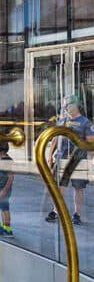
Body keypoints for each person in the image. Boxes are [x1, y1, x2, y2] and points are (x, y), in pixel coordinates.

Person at [46, 94, 94, 226]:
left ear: (75, 105)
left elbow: (91, 144)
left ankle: (77, 213)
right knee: (58, 186)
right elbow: (55, 139)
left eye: (66, 105)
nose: (64, 108)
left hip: (78, 160)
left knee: (78, 187)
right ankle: (56, 211)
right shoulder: (62, 120)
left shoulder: (86, 123)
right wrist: (50, 156)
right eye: (64, 105)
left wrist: (90, 162)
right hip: (61, 158)